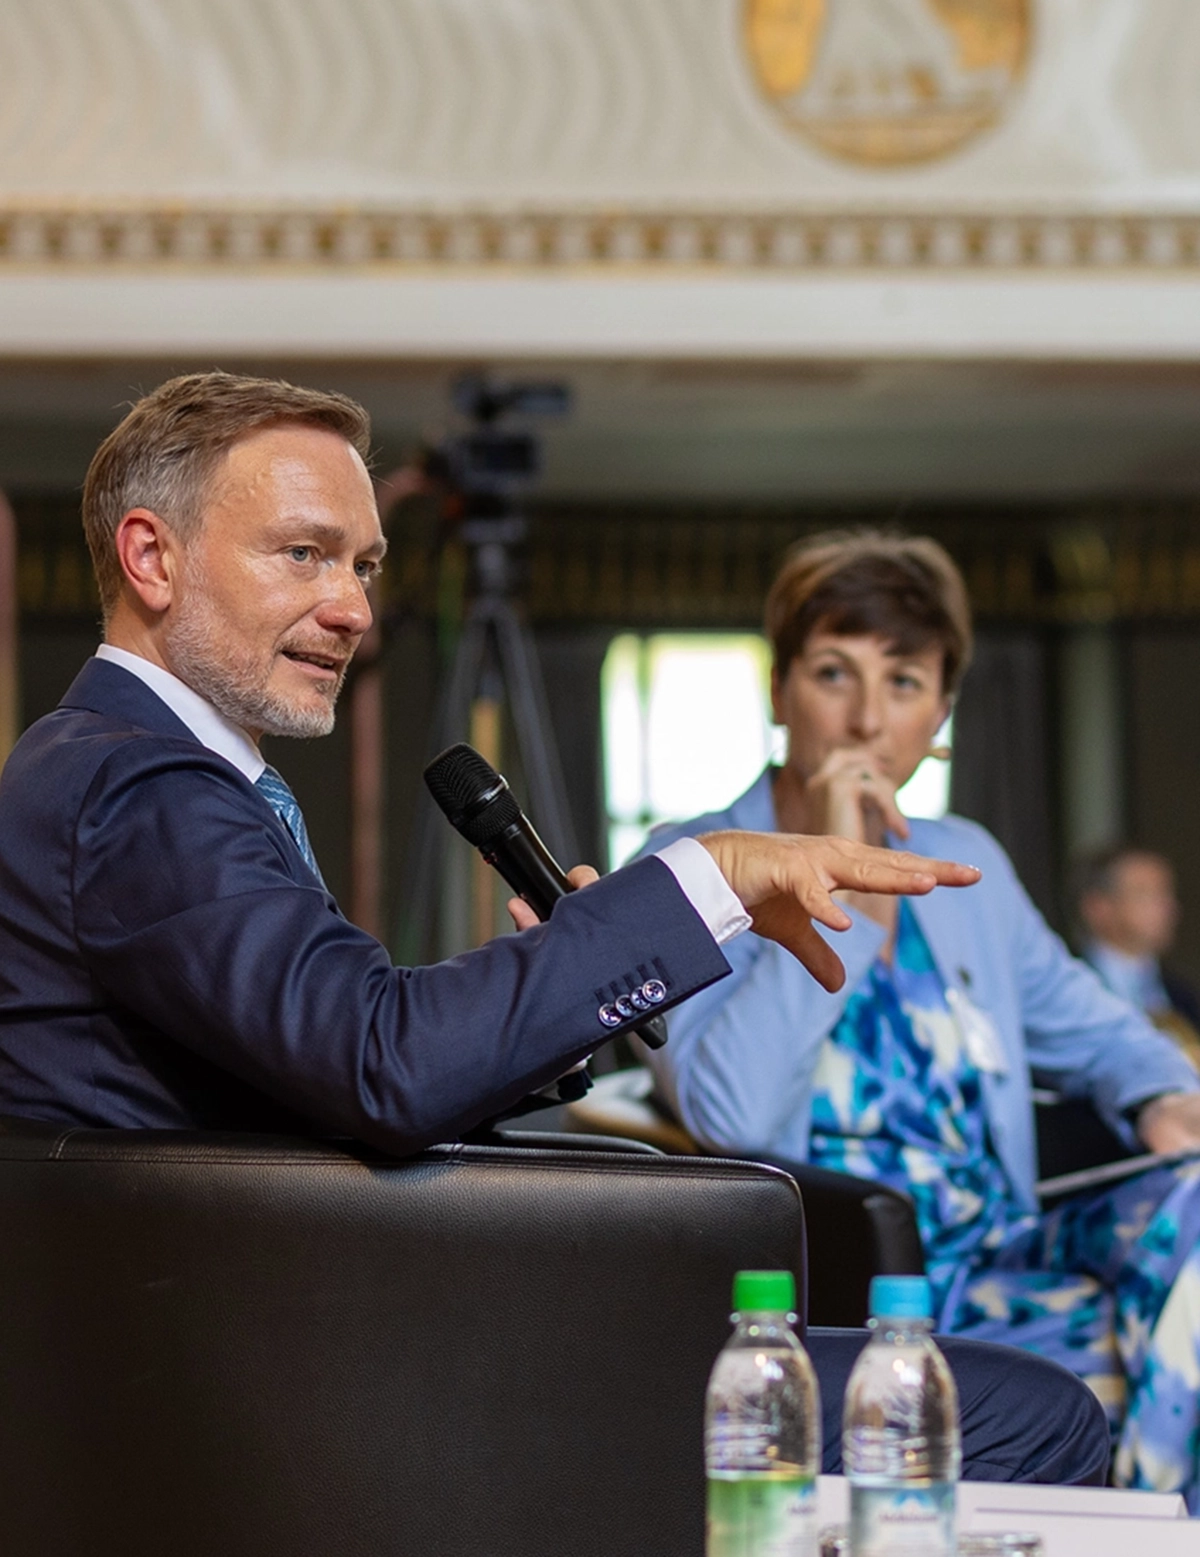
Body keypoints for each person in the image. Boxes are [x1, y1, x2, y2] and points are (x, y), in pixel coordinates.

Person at [0, 374, 1109, 1489]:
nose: (353, 609)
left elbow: (335, 1055)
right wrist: (707, 876)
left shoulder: (133, 770)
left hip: (310, 1315)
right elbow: (384, 1062)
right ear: (152, 558)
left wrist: (550, 995)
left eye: (365, 565)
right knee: (1036, 1416)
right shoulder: (144, 788)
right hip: (304, 1355)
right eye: (304, 554)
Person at [639, 528, 1200, 1506]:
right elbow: (727, 1112)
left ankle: (1155, 1524)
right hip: (850, 1281)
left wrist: (1157, 1092)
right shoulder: (699, 861)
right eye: (831, 673)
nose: (864, 718)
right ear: (778, 693)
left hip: (1000, 1251)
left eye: (903, 682)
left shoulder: (963, 863)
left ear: (940, 711)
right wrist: (841, 876)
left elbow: (1096, 1024)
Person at [1074, 844, 1200, 1069]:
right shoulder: (1070, 987)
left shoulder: (1184, 995)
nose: (1168, 907)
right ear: (1099, 908)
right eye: (1146, 895)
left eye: (1167, 894)